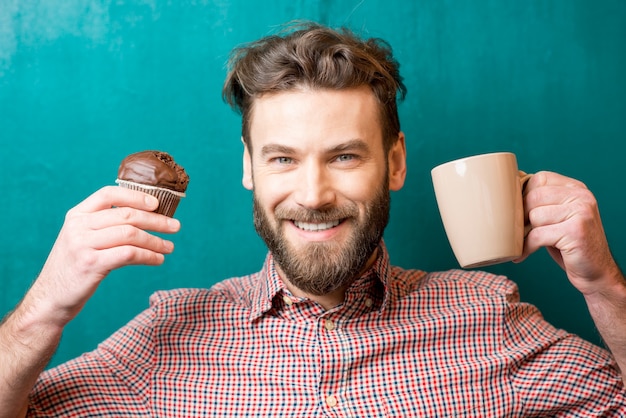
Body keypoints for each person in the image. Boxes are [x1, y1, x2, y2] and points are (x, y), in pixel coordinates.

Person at [1, 21, 625, 417]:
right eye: (282, 158)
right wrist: (43, 310)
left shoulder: (488, 316)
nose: (313, 193)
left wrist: (605, 289)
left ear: (396, 162)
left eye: (345, 156)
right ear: (250, 167)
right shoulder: (166, 335)